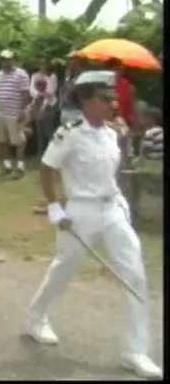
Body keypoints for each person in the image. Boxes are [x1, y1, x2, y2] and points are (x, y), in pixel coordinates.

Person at [24, 70, 161, 379]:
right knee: (64, 269)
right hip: (81, 212)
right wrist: (54, 207)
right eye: (104, 98)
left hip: (112, 210)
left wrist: (122, 202)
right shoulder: (69, 133)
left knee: (134, 275)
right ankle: (36, 316)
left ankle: (135, 351)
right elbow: (47, 167)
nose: (112, 104)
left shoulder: (112, 133)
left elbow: (114, 171)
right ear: (86, 100)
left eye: (113, 98)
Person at [0, 50, 30, 178]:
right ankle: (6, 165)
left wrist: (22, 111)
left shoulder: (21, 74)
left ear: (13, 60)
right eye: (3, 60)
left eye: (8, 59)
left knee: (18, 141)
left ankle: (20, 166)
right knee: (1, 140)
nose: (6, 62)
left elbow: (25, 94)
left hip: (14, 112)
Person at [29, 58, 58, 157]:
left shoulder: (52, 76)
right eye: (41, 64)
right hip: (37, 104)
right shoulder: (35, 76)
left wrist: (44, 102)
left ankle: (52, 154)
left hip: (49, 105)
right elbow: (31, 89)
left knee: (48, 129)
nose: (42, 66)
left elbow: (51, 91)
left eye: (44, 64)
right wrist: (38, 95)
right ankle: (40, 153)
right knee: (39, 131)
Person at [58, 53, 86, 125]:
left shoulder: (83, 76)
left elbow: (76, 91)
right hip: (65, 109)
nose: (70, 63)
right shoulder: (69, 75)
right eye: (69, 61)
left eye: (72, 60)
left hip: (76, 111)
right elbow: (63, 90)